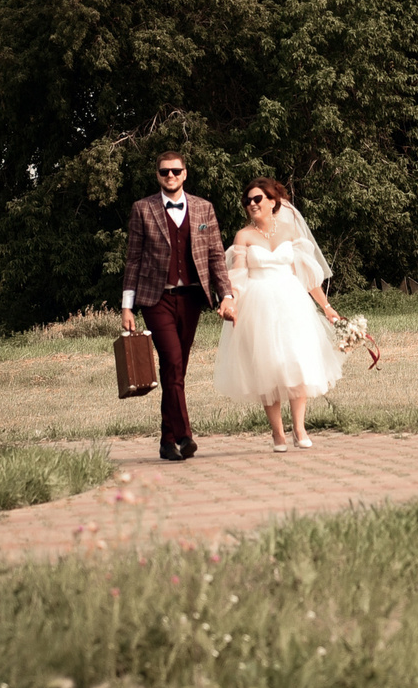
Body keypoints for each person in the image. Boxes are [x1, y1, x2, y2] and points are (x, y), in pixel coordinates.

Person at [212, 175, 347, 450]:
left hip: (292, 302)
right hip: (258, 303)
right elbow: (237, 276)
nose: (252, 203)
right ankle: (277, 433)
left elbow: (307, 276)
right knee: (268, 366)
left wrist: (327, 307)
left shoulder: (289, 231)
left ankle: (299, 428)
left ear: (273, 201)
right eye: (247, 200)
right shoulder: (244, 236)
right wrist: (231, 301)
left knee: (296, 362)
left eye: (258, 198)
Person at [122, 151, 235, 462]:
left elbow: (215, 257)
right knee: (172, 361)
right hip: (155, 299)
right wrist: (127, 307)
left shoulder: (204, 208)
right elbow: (133, 259)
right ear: (157, 175)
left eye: (175, 171)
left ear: (185, 173)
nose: (170, 176)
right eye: (164, 172)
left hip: (191, 299)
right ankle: (185, 435)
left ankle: (166, 440)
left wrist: (227, 295)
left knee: (177, 369)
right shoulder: (142, 209)